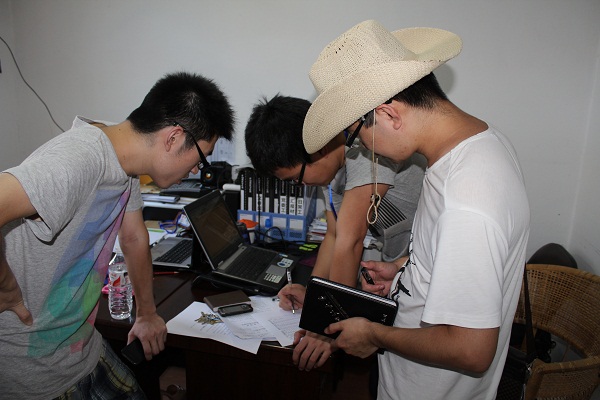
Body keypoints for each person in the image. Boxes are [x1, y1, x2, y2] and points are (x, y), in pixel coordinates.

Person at [301, 20, 530, 399]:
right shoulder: (481, 145)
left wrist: (374, 334)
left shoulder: (467, 199)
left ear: (389, 114)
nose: (362, 149)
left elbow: (471, 351)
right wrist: (404, 270)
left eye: (356, 134)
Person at [0, 71, 234, 399]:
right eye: (200, 159)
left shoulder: (125, 161)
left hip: (80, 346)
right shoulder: (80, 158)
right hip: (34, 372)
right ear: (173, 138)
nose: (196, 170)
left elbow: (134, 237)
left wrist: (147, 314)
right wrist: (7, 288)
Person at [244, 94, 425, 370]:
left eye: (295, 179)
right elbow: (334, 234)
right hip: (398, 270)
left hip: (427, 272)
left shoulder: (365, 151)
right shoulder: (332, 169)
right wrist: (315, 298)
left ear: (318, 149)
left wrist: (327, 326)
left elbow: (350, 240)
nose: (300, 186)